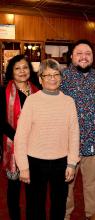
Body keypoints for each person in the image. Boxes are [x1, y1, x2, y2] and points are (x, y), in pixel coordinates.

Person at [14, 59, 80, 220]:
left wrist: (72, 163)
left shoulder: (68, 101)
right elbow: (21, 136)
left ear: (61, 77)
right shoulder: (31, 101)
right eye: (47, 75)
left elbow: (74, 133)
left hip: (61, 162)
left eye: (56, 74)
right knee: (35, 206)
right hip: (35, 162)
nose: (52, 78)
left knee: (59, 205)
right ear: (40, 78)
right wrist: (23, 167)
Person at [60, 39, 95, 220]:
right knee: (66, 183)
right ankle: (65, 214)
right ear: (71, 56)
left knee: (92, 184)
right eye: (79, 53)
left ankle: (92, 215)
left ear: (93, 57)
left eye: (88, 53)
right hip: (67, 142)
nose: (83, 57)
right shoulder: (60, 77)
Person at [0, 54, 39, 220]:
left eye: (25, 67)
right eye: (17, 68)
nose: (22, 71)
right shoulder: (3, 92)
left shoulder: (38, 89)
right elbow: (1, 121)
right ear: (11, 71)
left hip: (37, 146)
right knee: (14, 187)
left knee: (34, 189)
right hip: (14, 145)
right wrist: (20, 138)